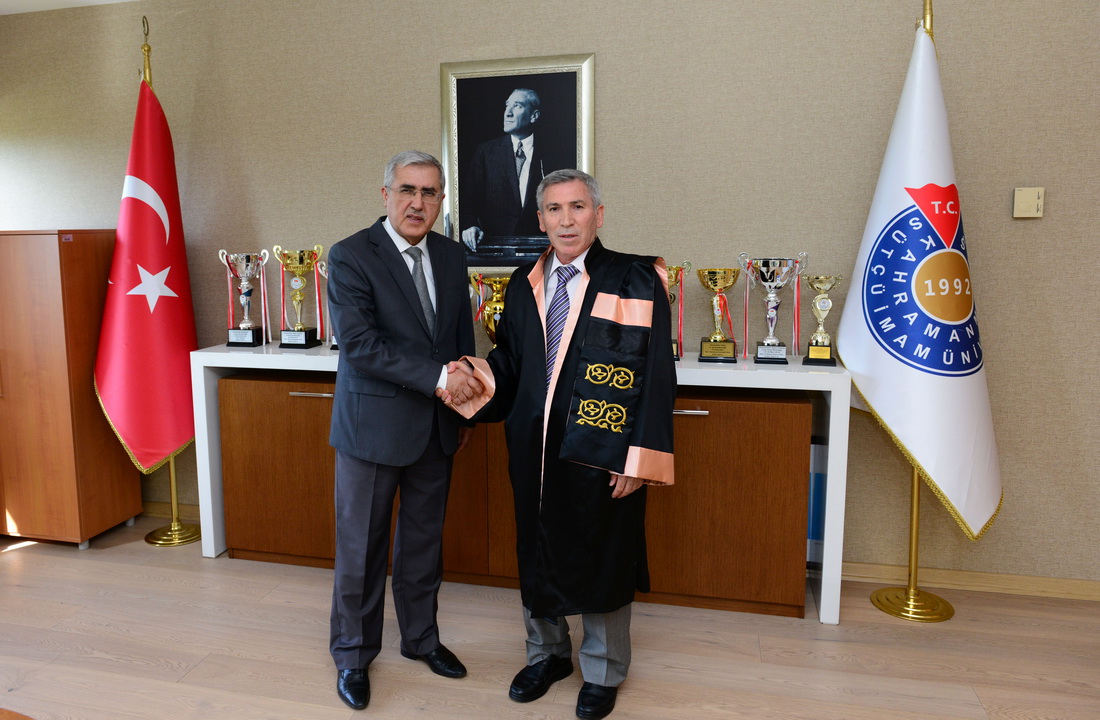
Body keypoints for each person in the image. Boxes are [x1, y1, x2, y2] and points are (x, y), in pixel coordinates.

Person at [443, 169, 676, 720]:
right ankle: (547, 655)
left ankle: (602, 669)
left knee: (604, 551)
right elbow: (512, 361)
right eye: (554, 209)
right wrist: (469, 375)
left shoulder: (635, 278)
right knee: (536, 544)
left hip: (604, 446)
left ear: (599, 214)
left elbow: (657, 377)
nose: (566, 220)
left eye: (577, 207)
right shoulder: (524, 282)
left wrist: (637, 459)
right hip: (534, 445)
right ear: (541, 219)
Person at [326, 150, 482, 711]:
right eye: (407, 190)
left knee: (422, 545)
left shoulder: (451, 254)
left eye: (429, 192)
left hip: (437, 427)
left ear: (441, 200)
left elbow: (458, 337)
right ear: (386, 194)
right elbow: (361, 346)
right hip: (372, 429)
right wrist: (441, 380)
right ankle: (353, 654)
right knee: (361, 549)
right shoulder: (350, 255)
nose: (418, 203)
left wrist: (463, 402)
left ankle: (421, 639)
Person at [459, 88, 567, 253]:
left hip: (541, 249)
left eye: (517, 106)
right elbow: (468, 200)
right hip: (494, 249)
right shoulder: (487, 152)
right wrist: (470, 225)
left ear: (534, 116)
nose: (507, 113)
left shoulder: (553, 153)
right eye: (507, 106)